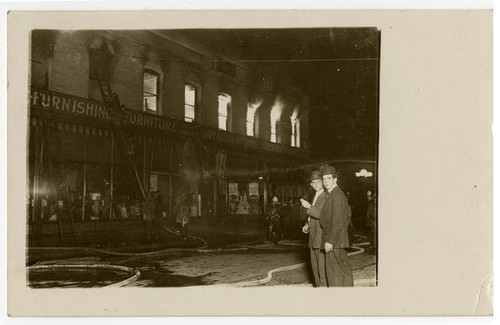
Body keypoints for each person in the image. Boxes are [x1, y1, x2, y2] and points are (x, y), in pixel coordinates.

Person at [319, 165, 354, 287]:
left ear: (335, 179)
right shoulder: (333, 194)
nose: (325, 182)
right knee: (341, 272)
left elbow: (338, 221)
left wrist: (330, 241)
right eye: (324, 179)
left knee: (336, 275)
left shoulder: (337, 195)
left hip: (335, 242)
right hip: (337, 241)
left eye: (328, 178)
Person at [300, 170, 328, 287]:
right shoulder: (315, 195)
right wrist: (307, 224)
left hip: (320, 237)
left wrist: (309, 207)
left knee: (322, 268)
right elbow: (313, 216)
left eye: (318, 182)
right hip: (313, 236)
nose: (315, 185)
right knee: (315, 267)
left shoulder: (326, 196)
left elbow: (323, 215)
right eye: (313, 183)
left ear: (323, 182)